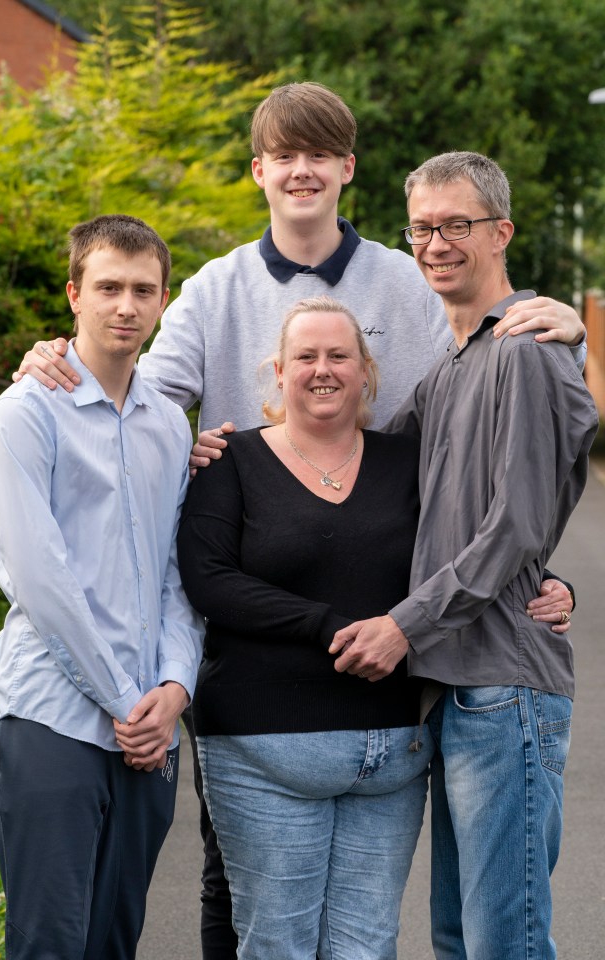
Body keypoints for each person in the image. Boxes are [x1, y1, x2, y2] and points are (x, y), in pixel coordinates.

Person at [11, 84, 581, 959]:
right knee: (238, 891)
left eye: (321, 154)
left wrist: (564, 332)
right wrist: (60, 355)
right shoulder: (213, 289)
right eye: (286, 155)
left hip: (398, 644)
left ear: (348, 169)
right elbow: (133, 402)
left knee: (422, 926)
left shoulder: (410, 279)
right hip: (262, 642)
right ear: (260, 171)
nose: (303, 170)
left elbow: (492, 450)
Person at [328, 152, 599, 960]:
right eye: (421, 227)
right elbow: (371, 471)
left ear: (500, 233)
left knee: (502, 942)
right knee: (460, 938)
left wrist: (403, 626)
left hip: (502, 691)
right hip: (457, 687)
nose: (436, 243)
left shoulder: (523, 347)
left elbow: (515, 527)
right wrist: (229, 453)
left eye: (456, 225)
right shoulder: (451, 367)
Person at [0, 215, 204, 960]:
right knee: (49, 942)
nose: (125, 306)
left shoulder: (169, 424)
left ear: (164, 301)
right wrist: (125, 705)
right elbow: (41, 582)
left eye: (143, 290)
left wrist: (173, 689)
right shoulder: (22, 418)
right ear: (75, 294)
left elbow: (177, 572)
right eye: (108, 287)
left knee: (113, 940)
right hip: (55, 719)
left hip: (147, 722)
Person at [177, 295, 432, 960]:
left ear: (367, 371)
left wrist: (549, 584)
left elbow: (469, 549)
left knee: (367, 948)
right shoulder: (228, 459)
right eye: (307, 356)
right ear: (278, 371)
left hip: (392, 753)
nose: (324, 369)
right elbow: (209, 580)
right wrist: (328, 625)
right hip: (265, 749)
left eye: (339, 355)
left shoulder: (409, 461)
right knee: (277, 946)